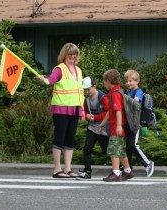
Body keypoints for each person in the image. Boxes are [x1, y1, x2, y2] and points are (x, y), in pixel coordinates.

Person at [38, 43, 84, 178]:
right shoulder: (59, 69)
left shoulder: (79, 70)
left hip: (75, 108)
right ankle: (57, 169)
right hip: (61, 109)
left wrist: (82, 109)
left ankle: (68, 169)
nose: (73, 57)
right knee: (59, 138)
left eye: (75, 55)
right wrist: (44, 80)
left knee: (70, 139)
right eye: (70, 55)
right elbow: (50, 81)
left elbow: (80, 91)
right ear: (64, 55)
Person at [101, 69, 134, 182]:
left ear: (108, 81)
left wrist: (119, 126)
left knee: (114, 150)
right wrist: (102, 124)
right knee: (121, 151)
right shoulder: (118, 91)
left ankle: (116, 172)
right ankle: (128, 171)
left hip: (117, 127)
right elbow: (110, 112)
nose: (104, 83)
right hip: (119, 126)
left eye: (104, 81)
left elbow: (118, 111)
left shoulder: (115, 94)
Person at [124, 69, 154, 177]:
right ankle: (128, 168)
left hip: (136, 123)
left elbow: (135, 102)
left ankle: (148, 163)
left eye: (131, 81)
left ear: (137, 81)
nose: (128, 83)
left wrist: (123, 98)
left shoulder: (138, 92)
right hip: (128, 122)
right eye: (127, 81)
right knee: (128, 146)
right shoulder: (129, 92)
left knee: (133, 145)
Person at [78, 76, 110, 179]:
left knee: (107, 151)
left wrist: (95, 117)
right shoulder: (86, 99)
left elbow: (107, 113)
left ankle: (121, 168)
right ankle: (87, 171)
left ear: (94, 86)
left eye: (89, 89)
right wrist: (87, 116)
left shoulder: (103, 97)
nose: (87, 92)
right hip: (92, 128)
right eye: (85, 90)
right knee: (87, 149)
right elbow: (86, 110)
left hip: (103, 128)